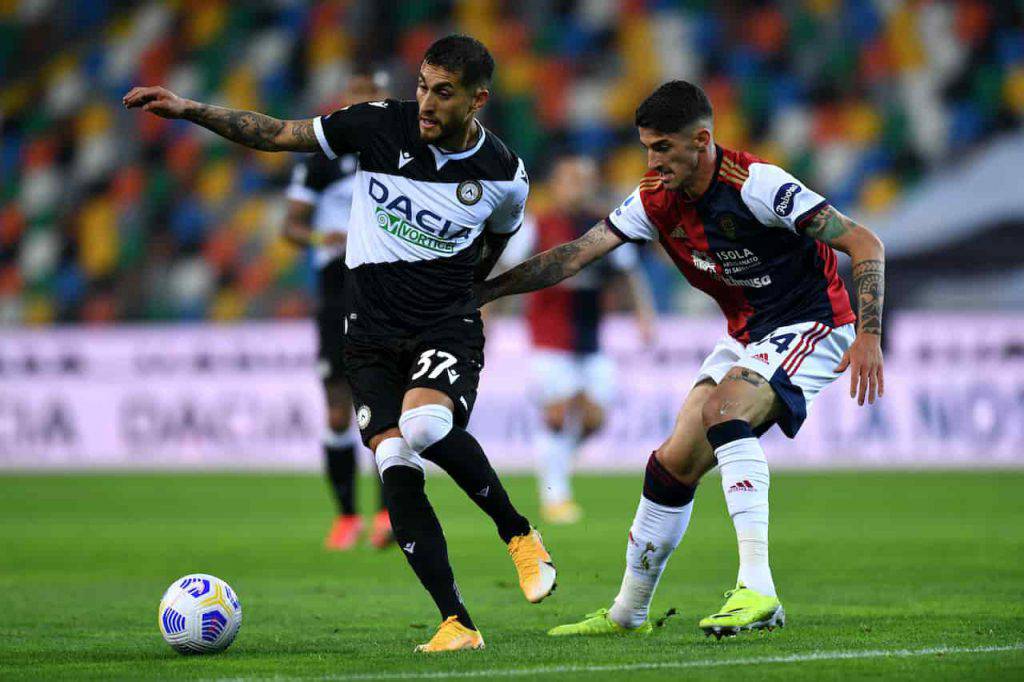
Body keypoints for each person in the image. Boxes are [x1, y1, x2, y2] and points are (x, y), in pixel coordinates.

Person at [124, 34, 556, 653]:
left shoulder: (503, 176)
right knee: (394, 461)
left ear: (478, 100)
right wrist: (192, 109)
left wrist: (461, 298)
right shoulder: (377, 126)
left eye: (444, 93)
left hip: (443, 326)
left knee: (428, 427)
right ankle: (457, 623)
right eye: (422, 87)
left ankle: (518, 535)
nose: (427, 104)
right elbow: (275, 133)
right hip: (368, 334)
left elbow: (492, 248)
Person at [477, 80, 884, 638]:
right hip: (747, 334)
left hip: (813, 321)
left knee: (724, 412)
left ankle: (758, 589)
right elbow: (574, 257)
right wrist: (482, 293)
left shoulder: (758, 185)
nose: (652, 161)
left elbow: (864, 242)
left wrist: (868, 335)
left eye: (663, 147)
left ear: (702, 140)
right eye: (646, 147)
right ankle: (628, 613)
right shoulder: (652, 199)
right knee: (671, 464)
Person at [505, 155, 655, 524]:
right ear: (555, 185)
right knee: (558, 413)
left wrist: (643, 316)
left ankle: (554, 462)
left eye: (584, 180)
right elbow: (507, 270)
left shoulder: (605, 226)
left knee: (594, 419)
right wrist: (487, 312)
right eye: (571, 179)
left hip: (590, 337)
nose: (578, 187)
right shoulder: (537, 225)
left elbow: (628, 273)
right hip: (548, 336)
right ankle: (555, 495)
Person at [283, 67, 392, 551]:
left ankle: (390, 514)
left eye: (373, 93)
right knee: (336, 408)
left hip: (384, 283)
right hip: (334, 284)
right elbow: (290, 228)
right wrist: (319, 237)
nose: (365, 100)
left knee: (384, 403)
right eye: (358, 93)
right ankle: (347, 515)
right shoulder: (320, 158)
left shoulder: (397, 153)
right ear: (346, 98)